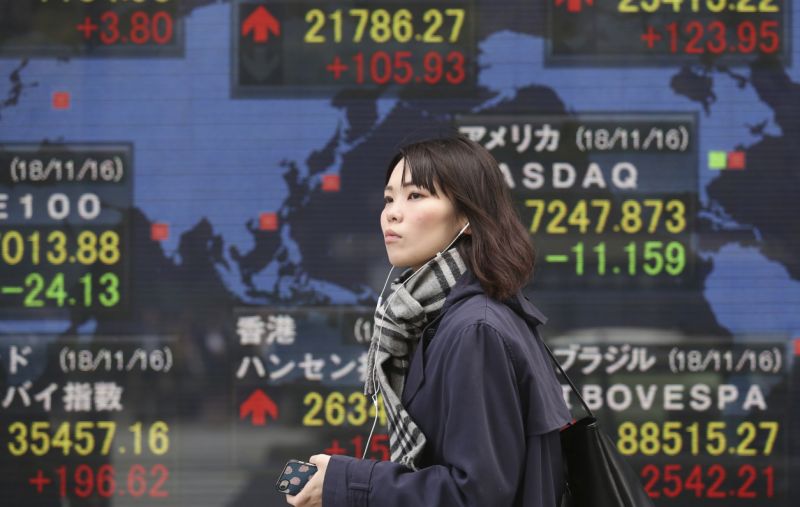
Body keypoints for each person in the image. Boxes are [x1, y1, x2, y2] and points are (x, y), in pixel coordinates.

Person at [286, 136, 571, 507]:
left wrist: (344, 482)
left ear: (468, 217)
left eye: (415, 195)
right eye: (389, 198)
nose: (392, 213)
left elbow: (475, 496)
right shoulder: (449, 317)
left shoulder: (475, 329)